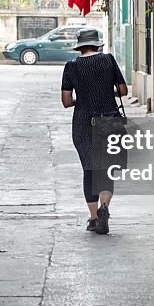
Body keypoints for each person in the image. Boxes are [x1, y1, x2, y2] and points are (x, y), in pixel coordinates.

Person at [60, 28, 128, 235]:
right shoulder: (108, 60)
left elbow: (66, 101)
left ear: (80, 47)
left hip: (83, 123)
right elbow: (123, 91)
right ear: (97, 44)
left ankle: (94, 218)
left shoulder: (71, 67)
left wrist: (81, 99)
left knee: (89, 169)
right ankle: (105, 207)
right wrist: (108, 92)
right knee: (106, 168)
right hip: (109, 120)